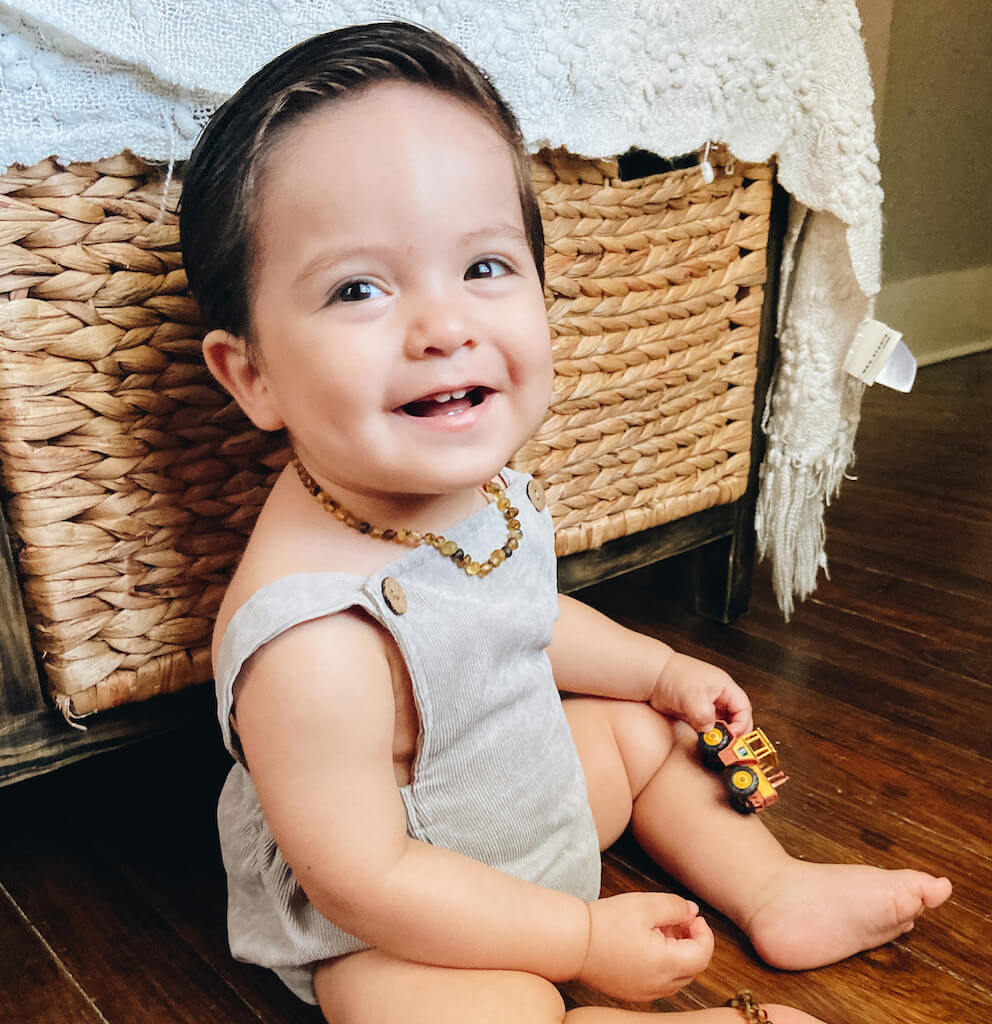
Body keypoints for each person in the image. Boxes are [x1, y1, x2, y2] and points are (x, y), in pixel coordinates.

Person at [179, 22, 951, 1024]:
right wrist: (581, 942)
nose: (443, 326)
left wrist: (660, 671)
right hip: (406, 911)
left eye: (485, 268)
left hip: (527, 801)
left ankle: (774, 888)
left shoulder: (480, 491)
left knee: (642, 734)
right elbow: (361, 878)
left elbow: (523, 617)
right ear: (254, 376)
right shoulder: (311, 641)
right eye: (359, 287)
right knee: (408, 1004)